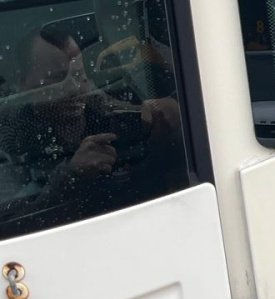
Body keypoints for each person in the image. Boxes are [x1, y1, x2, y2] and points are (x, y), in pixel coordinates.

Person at [0, 22, 184, 239]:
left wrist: (170, 130)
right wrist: (71, 177)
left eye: (79, 76)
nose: (74, 89)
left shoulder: (120, 111)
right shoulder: (9, 146)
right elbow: (11, 228)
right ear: (23, 85)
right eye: (56, 78)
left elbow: (176, 176)